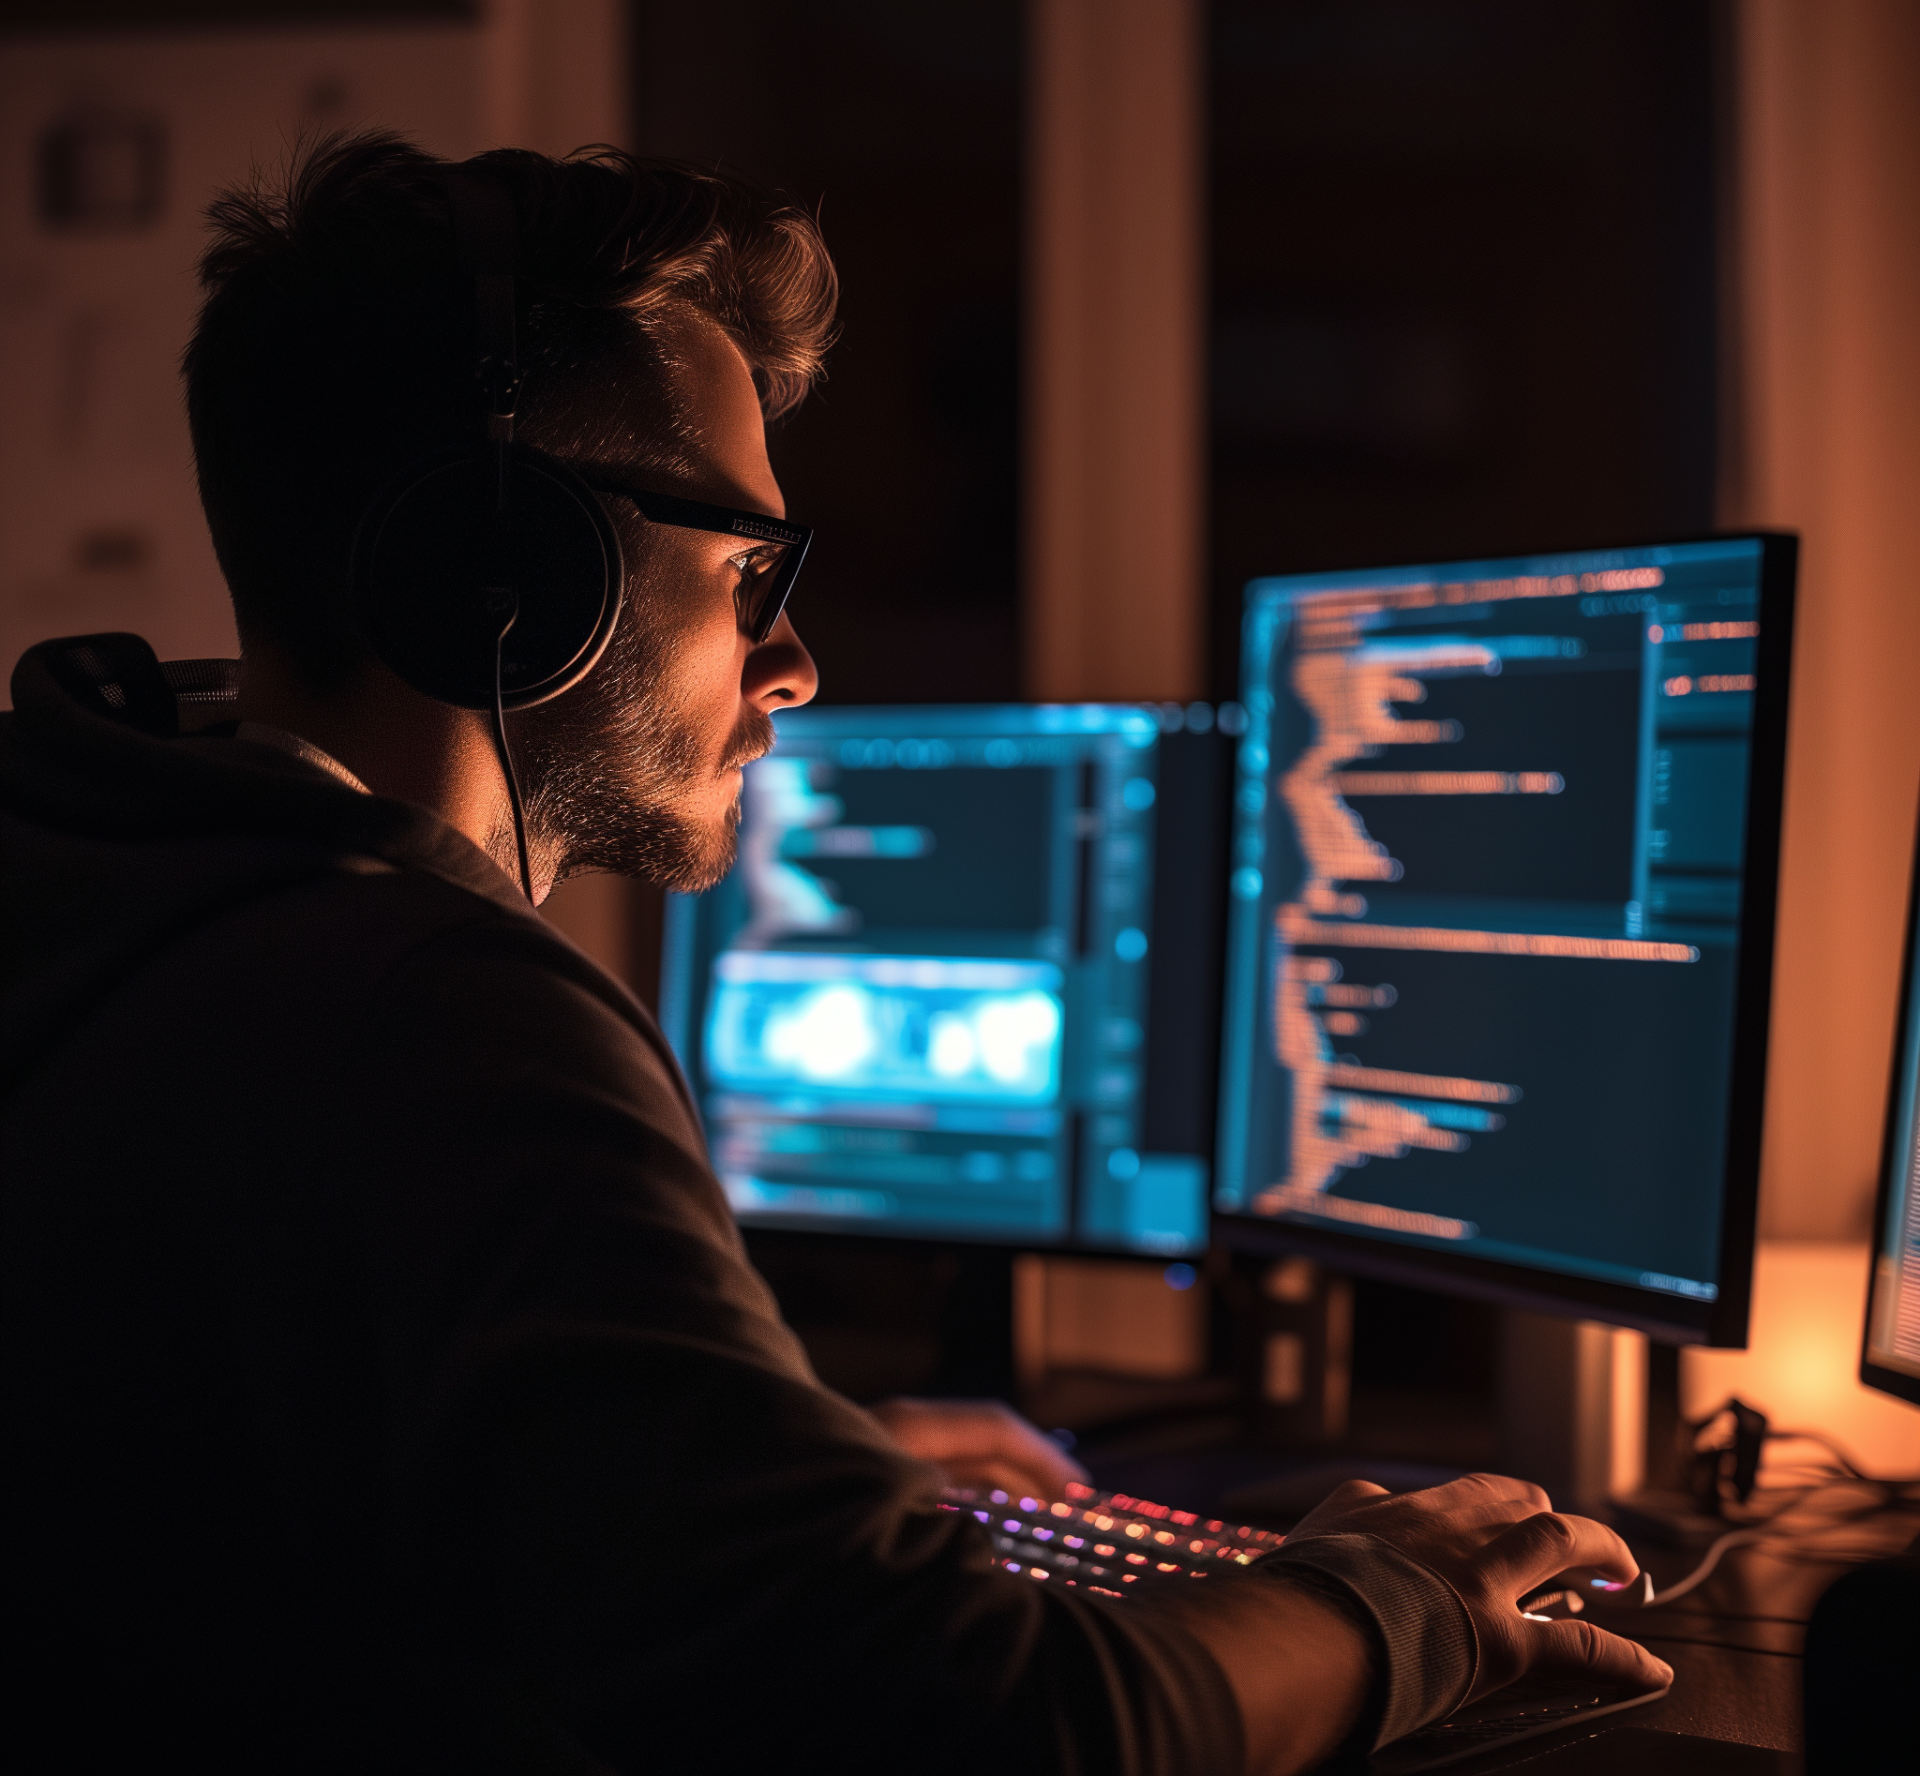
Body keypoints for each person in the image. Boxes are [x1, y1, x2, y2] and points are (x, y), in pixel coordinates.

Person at [0, 133, 1670, 1774]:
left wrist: (742, 1490)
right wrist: (1393, 1603)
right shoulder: (438, 1018)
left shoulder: (113, 870)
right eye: (745, 568)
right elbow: (1004, 1732)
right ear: (507, 578)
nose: (792, 659)